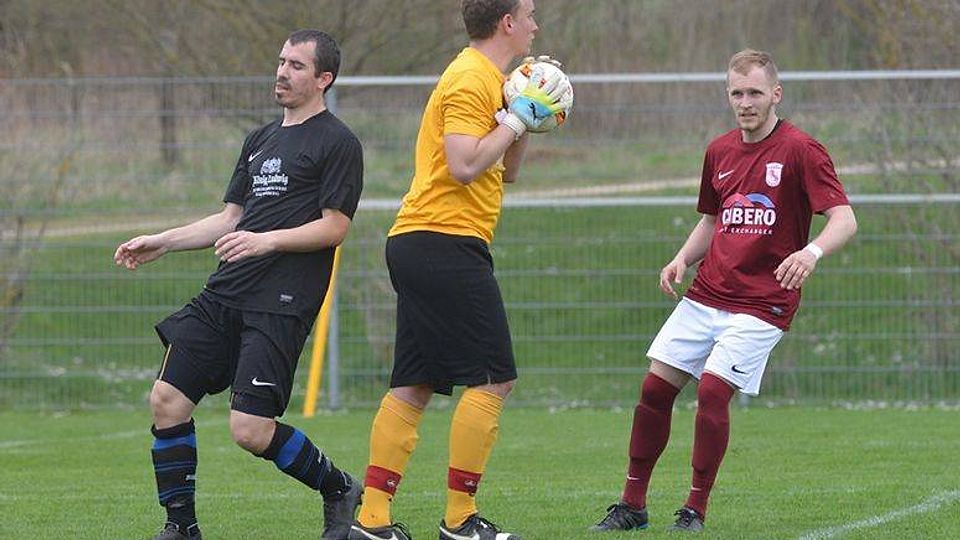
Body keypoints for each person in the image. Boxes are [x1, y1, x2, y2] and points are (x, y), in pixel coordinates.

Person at [591, 49, 858, 533]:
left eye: (755, 92)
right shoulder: (719, 151)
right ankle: (632, 504)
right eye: (737, 93)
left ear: (776, 94)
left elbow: (845, 218)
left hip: (763, 301)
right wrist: (681, 258)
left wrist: (811, 253)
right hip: (707, 293)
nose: (745, 102)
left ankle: (694, 509)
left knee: (713, 391)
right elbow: (713, 220)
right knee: (654, 389)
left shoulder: (801, 150)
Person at [114, 29, 364, 540]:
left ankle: (339, 487)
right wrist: (164, 241)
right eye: (281, 62)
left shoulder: (338, 142)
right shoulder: (260, 140)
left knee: (250, 431)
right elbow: (231, 218)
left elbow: (335, 227)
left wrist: (266, 241)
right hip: (226, 293)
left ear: (324, 78)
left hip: (281, 301)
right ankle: (181, 527)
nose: (282, 72)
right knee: (166, 399)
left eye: (296, 65)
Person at [347, 1, 569, 540]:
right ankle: (460, 520)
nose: (536, 24)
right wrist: (514, 116)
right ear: (507, 23)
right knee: (495, 378)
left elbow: (505, 171)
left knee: (415, 383)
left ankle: (371, 522)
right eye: (529, 14)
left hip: (427, 241)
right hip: (442, 240)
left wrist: (524, 110)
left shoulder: (492, 80)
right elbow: (465, 164)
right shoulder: (469, 77)